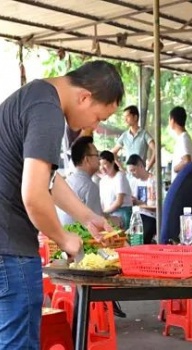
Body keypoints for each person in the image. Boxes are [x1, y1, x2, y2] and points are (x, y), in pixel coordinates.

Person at [0, 60, 124, 348]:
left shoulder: (34, 97)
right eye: (97, 117)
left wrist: (87, 216)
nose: (95, 126)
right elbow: (33, 195)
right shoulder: (48, 111)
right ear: (84, 97)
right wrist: (64, 238)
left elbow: (49, 180)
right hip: (10, 251)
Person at [57, 136, 102, 225]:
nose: (99, 159)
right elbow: (97, 222)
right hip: (81, 237)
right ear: (87, 159)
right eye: (97, 155)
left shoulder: (65, 182)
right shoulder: (90, 187)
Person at [112, 105, 155, 171]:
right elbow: (113, 153)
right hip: (129, 175)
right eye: (124, 117)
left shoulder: (144, 134)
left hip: (141, 175)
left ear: (135, 117)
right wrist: (122, 168)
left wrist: (147, 169)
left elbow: (156, 150)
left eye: (127, 116)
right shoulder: (124, 136)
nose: (125, 119)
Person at [126, 154, 156, 244]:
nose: (132, 173)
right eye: (130, 171)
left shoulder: (153, 181)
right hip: (137, 215)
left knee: (139, 240)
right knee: (130, 240)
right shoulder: (133, 181)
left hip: (150, 216)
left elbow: (154, 207)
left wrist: (138, 202)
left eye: (134, 170)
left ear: (141, 166)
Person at [99, 150, 133, 229]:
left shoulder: (120, 176)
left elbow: (119, 202)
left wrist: (104, 213)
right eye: (100, 165)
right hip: (108, 214)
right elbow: (102, 202)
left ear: (112, 163)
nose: (102, 168)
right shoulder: (103, 180)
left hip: (122, 213)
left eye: (104, 164)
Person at [169, 106, 192, 182]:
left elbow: (187, 161)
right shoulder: (182, 138)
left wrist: (174, 168)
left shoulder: (183, 138)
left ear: (172, 120)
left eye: (169, 120)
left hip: (181, 183)